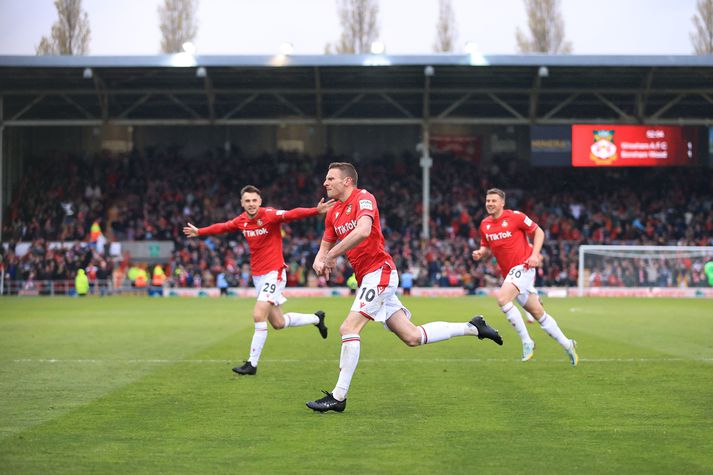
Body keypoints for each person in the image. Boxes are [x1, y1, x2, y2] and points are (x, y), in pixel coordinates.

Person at [306, 162, 503, 413]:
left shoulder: (363, 198)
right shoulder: (333, 212)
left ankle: (338, 397)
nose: (325, 183)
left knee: (348, 328)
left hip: (380, 273)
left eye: (330, 178)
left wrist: (332, 254)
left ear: (347, 181)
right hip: (369, 277)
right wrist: (319, 258)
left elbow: (364, 230)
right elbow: (325, 243)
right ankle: (473, 327)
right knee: (412, 337)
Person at [183, 185, 334, 376]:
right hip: (258, 276)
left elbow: (291, 214)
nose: (251, 204)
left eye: (254, 200)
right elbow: (223, 227)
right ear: (242, 203)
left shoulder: (269, 215)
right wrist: (200, 232)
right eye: (247, 201)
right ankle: (316, 318)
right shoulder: (242, 220)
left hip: (275, 272)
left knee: (258, 315)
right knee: (278, 323)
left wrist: (315, 211)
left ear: (260, 201)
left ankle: (252, 364)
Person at [472, 188, 579, 366]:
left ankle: (526, 341)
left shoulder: (516, 217)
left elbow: (539, 232)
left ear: (502, 203)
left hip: (524, 266)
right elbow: (486, 246)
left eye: (493, 201)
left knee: (502, 299)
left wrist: (535, 255)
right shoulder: (485, 224)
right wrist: (480, 253)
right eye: (488, 201)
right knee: (538, 313)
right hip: (510, 273)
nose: (490, 204)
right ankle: (567, 344)